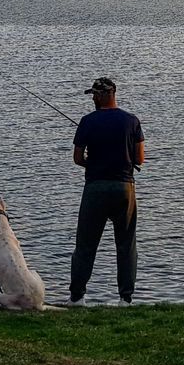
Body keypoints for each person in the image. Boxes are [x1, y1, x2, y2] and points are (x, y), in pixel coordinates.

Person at [68, 77, 144, 306]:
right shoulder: (132, 121)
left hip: (95, 188)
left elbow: (77, 158)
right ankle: (125, 298)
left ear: (104, 95)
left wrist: (93, 163)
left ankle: (77, 297)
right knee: (126, 244)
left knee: (85, 245)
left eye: (94, 94)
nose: (92, 98)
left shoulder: (87, 122)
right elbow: (140, 158)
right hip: (124, 188)